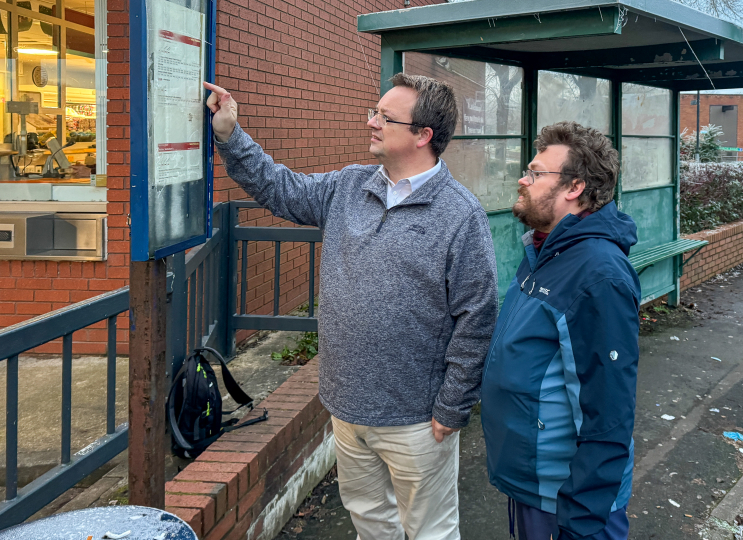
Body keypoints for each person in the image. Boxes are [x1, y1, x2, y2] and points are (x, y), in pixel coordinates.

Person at [203, 74, 498, 540]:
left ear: (423, 135)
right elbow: (279, 188)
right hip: (346, 407)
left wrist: (451, 407)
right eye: (374, 111)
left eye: (386, 117)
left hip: (418, 420)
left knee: (430, 532)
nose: (372, 122)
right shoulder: (349, 186)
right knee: (370, 523)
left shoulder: (461, 215)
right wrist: (229, 134)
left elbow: (477, 316)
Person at [481, 121, 641, 540]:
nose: (523, 179)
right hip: (532, 483)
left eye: (535, 173)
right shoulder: (542, 249)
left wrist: (582, 522)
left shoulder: (598, 274)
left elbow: (609, 414)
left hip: (568, 501)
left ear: (574, 188)